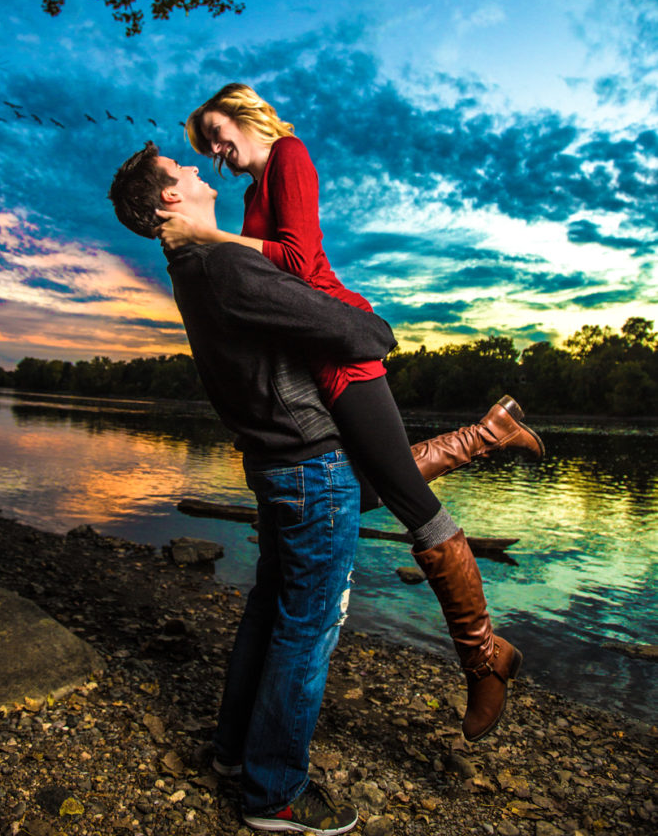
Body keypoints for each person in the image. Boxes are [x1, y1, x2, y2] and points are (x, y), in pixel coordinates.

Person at [157, 83, 544, 744]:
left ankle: (484, 659)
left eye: (218, 133)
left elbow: (300, 266)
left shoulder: (290, 156)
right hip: (310, 356)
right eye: (207, 148)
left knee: (407, 502)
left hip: (340, 349)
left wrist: (205, 235)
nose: (217, 151)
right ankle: (486, 434)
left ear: (245, 111)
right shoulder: (253, 192)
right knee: (361, 487)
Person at [109, 143, 398, 834]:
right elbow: (359, 335)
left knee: (270, 613)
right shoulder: (224, 263)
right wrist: (374, 324)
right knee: (306, 629)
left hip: (275, 463)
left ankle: (234, 757)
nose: (194, 168)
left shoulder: (190, 265)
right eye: (181, 170)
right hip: (307, 465)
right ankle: (273, 796)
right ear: (170, 200)